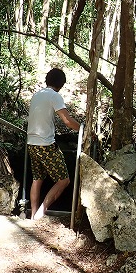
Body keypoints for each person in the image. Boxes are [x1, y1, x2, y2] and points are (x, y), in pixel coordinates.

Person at [26, 68, 81, 220]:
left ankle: (33, 217)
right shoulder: (54, 96)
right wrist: (84, 128)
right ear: (61, 84)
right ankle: (40, 214)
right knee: (64, 180)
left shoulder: (37, 95)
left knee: (37, 179)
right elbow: (68, 121)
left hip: (31, 143)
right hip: (45, 144)